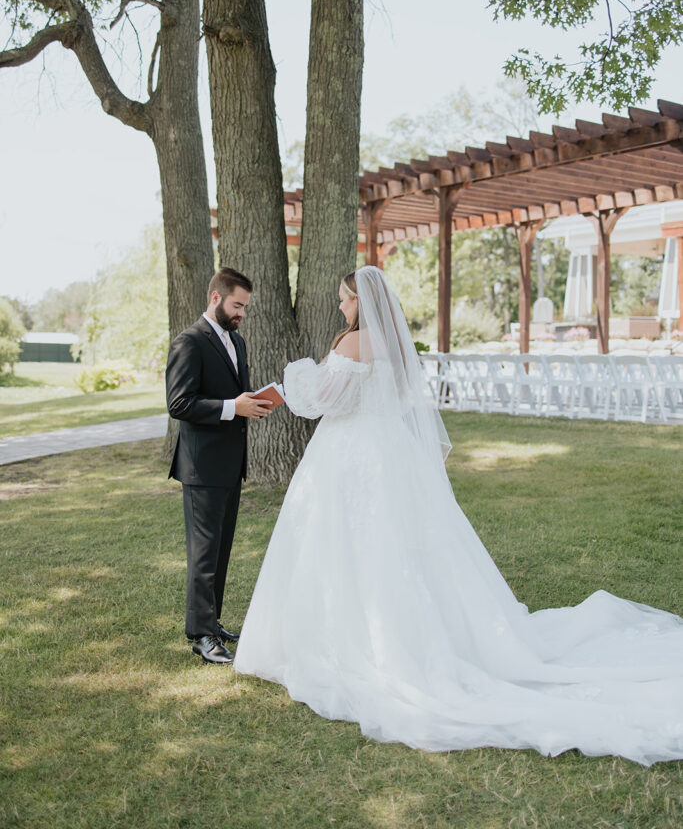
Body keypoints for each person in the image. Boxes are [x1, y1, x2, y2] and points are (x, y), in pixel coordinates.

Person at [234, 265, 683, 764]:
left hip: (350, 452)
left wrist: (297, 376)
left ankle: (356, 642)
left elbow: (321, 402)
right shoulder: (398, 348)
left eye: (344, 299)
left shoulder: (355, 344)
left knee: (346, 542)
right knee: (403, 543)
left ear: (361, 301)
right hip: (391, 452)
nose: (341, 307)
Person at [166, 267, 273, 664]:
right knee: (204, 552)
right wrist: (233, 407)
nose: (242, 313)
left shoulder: (237, 341)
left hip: (230, 464)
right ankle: (201, 636)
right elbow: (179, 404)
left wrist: (250, 402)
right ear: (216, 297)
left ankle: (213, 622)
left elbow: (231, 394)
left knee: (222, 549)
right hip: (201, 466)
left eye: (245, 306)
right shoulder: (188, 342)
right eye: (237, 305)